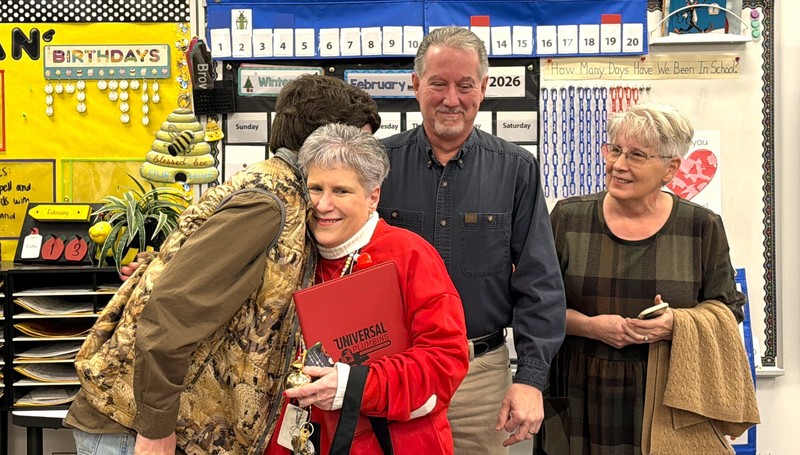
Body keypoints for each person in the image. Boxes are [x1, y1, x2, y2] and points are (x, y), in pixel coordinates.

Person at [64, 75, 381, 455]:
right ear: (321, 143)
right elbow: (170, 310)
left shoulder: (282, 191)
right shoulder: (269, 204)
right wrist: (156, 428)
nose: (363, 161)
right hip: (133, 429)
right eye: (357, 144)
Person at [378, 26, 566, 453]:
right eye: (438, 84)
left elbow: (539, 282)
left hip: (480, 379)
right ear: (415, 86)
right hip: (396, 371)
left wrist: (531, 379)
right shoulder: (376, 167)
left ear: (483, 88)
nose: (451, 99)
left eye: (465, 86)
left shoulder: (516, 169)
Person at [548, 103, 750, 454]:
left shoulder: (701, 226)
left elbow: (728, 309)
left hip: (667, 396)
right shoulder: (569, 218)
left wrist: (677, 323)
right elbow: (536, 306)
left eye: (637, 155)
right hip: (575, 388)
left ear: (671, 168)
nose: (618, 165)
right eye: (615, 150)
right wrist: (591, 326)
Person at [265, 123, 469, 454]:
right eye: (315, 189)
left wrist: (355, 386)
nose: (322, 205)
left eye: (341, 191)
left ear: (373, 195)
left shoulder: (408, 255)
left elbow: (442, 363)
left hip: (394, 443)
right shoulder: (291, 256)